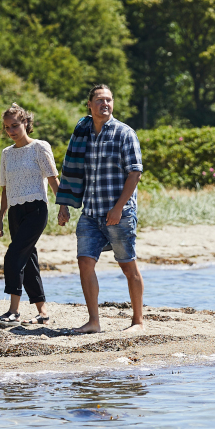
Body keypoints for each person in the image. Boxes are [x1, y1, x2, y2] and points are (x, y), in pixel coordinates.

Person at [61, 84, 145, 333]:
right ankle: (94, 322)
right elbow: (72, 171)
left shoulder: (124, 133)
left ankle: (138, 321)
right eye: (99, 100)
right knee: (84, 263)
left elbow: (135, 173)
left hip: (119, 213)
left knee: (128, 265)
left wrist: (118, 208)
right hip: (90, 212)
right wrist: (64, 204)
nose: (104, 104)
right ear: (89, 105)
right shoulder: (82, 134)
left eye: (108, 100)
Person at [0, 103, 59, 328]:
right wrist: (1, 218)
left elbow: (52, 179)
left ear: (26, 124)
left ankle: (14, 311)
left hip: (36, 209)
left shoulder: (40, 147)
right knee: (28, 260)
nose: (11, 130)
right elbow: (5, 189)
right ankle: (43, 313)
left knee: (13, 257)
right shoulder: (6, 154)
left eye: (15, 125)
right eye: (7, 127)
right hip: (15, 212)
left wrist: (64, 207)